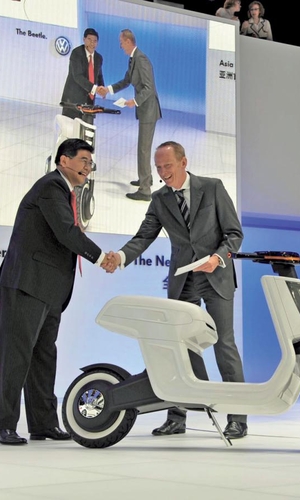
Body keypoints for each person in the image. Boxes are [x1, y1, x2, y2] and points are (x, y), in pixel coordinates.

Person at [104, 141, 248, 439]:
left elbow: (234, 234)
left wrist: (217, 258)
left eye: (167, 165)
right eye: (158, 167)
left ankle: (238, 418)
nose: (162, 172)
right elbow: (144, 236)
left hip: (216, 275)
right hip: (184, 279)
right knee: (177, 347)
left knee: (224, 345)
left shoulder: (213, 187)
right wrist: (120, 256)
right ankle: (176, 416)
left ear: (183, 162)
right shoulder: (159, 199)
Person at [0, 139, 113, 445]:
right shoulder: (51, 186)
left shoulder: (64, 191)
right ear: (64, 160)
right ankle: (3, 424)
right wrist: (101, 257)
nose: (88, 168)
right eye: (84, 161)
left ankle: (43, 424)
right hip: (27, 284)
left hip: (48, 289)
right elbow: (66, 232)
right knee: (15, 357)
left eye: (90, 163)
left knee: (44, 356)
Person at [97, 29, 161, 202]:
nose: (120, 46)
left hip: (149, 110)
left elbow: (149, 87)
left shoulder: (141, 59)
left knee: (143, 149)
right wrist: (108, 90)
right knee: (143, 148)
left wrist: (135, 101)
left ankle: (145, 190)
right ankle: (145, 179)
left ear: (127, 41)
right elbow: (126, 81)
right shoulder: (133, 59)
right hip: (145, 110)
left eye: (121, 42)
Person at [60, 28, 104, 125]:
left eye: (95, 41)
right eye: (89, 39)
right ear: (84, 39)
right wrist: (95, 88)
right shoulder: (76, 53)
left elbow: (99, 75)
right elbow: (78, 76)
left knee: (87, 129)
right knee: (70, 129)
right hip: (73, 100)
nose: (92, 43)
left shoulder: (98, 58)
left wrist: (102, 88)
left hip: (89, 102)